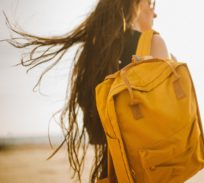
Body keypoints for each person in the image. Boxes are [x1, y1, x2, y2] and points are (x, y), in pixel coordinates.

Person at [4, 0, 173, 182]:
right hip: (151, 169)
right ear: (135, 4)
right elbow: (169, 118)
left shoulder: (98, 52)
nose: (154, 12)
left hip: (111, 169)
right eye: (151, 3)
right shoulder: (154, 43)